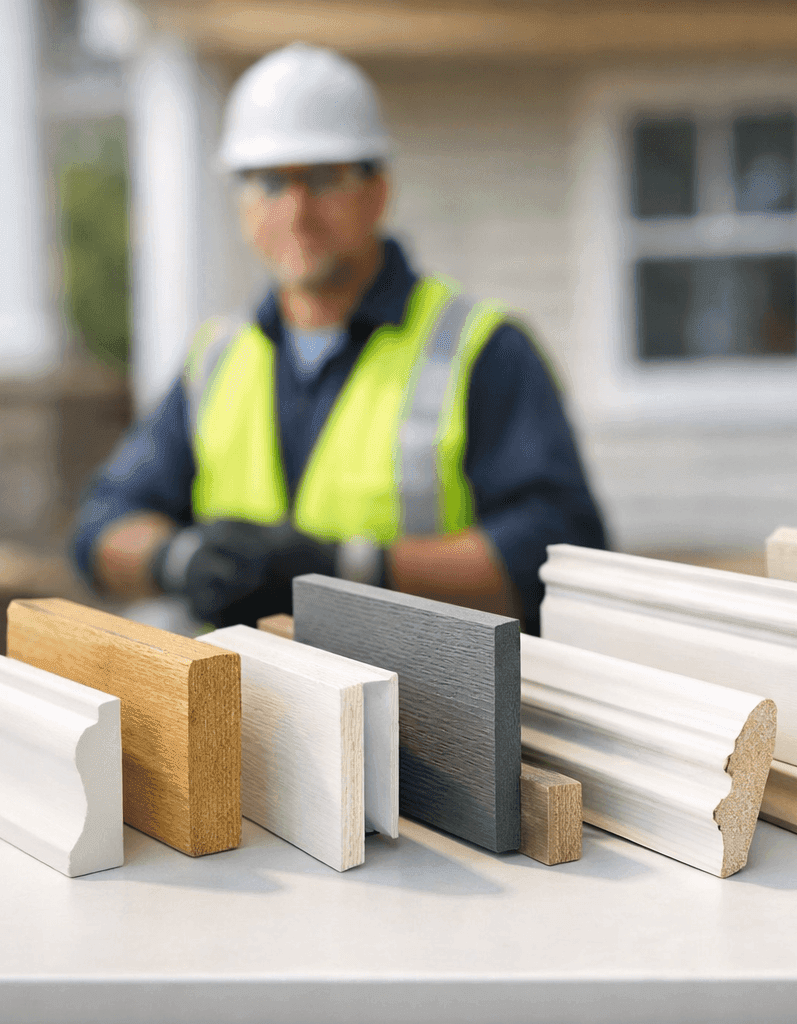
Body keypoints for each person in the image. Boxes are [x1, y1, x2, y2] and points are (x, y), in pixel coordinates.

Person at [71, 43, 606, 632]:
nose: (296, 211)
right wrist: (181, 561)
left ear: (378, 189)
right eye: (270, 182)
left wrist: (351, 568)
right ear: (242, 200)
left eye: (323, 179)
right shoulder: (218, 359)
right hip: (255, 710)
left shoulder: (481, 349)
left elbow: (557, 552)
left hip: (429, 712)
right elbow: (101, 527)